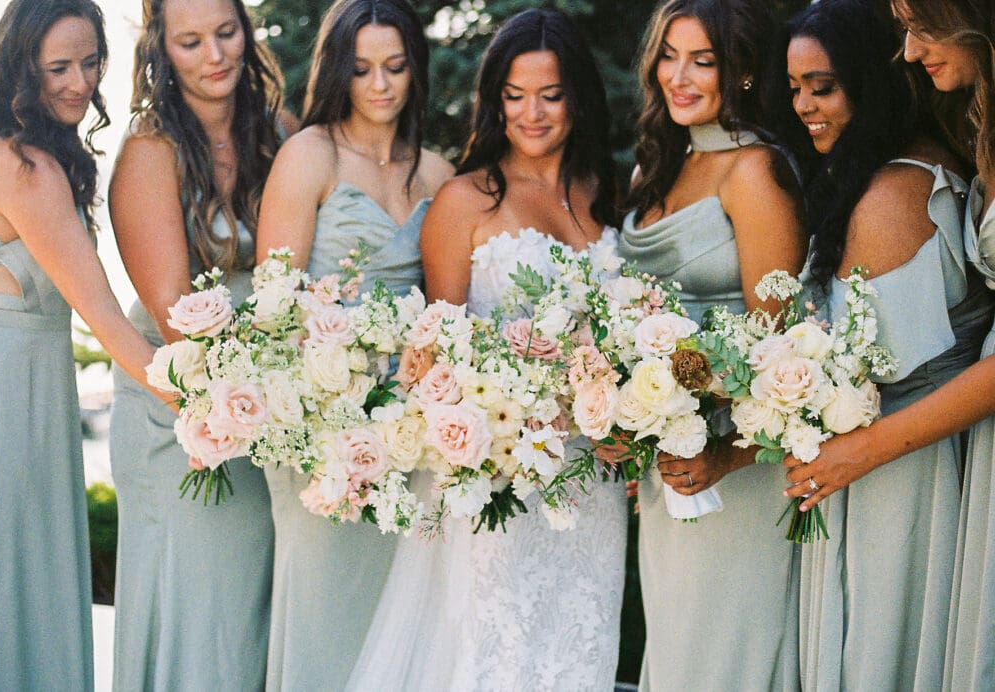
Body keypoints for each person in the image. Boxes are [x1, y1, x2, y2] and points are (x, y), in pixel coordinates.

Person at [344, 10, 626, 690]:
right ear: (494, 100)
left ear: (577, 98)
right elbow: (444, 357)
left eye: (550, 95)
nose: (531, 113)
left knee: (580, 654)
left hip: (593, 484)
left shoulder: (606, 196)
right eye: (514, 95)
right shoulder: (466, 201)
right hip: (499, 479)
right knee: (495, 656)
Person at [771, 0, 994, 688]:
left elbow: (875, 369)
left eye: (825, 86)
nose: (806, 105)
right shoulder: (942, 158)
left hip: (901, 474)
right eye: (795, 88)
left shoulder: (896, 195)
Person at [254, 0, 451, 688]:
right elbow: (274, 303)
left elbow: (451, 300)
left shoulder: (436, 172)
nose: (380, 85)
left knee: (401, 622)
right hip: (320, 419)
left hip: (412, 432)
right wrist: (327, 403)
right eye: (363, 68)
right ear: (339, 70)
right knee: (324, 609)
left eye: (395, 67)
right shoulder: (309, 154)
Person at [0, 0, 168, 688]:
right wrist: (222, 404)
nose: (80, 83)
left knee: (4, 576)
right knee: (10, 574)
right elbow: (110, 326)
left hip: (10, 384)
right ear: (20, 68)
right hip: (5, 404)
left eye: (91, 63)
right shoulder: (24, 169)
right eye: (59, 67)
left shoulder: (0, 153)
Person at [617, 0, 806, 689]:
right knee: (674, 652)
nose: (679, 75)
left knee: (721, 656)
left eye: (704, 60)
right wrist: (621, 419)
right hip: (665, 459)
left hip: (736, 473)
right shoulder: (653, 171)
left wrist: (727, 456)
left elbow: (787, 356)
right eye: (669, 55)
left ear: (746, 71)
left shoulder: (754, 173)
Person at [106, 0, 296, 688]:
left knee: (255, 608)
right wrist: (253, 400)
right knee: (203, 607)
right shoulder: (151, 152)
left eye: (226, 33)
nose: (216, 55)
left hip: (275, 400)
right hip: (185, 404)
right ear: (162, 49)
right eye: (191, 42)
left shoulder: (281, 134)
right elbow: (175, 317)